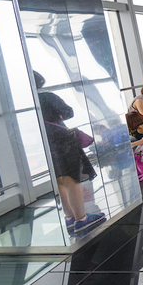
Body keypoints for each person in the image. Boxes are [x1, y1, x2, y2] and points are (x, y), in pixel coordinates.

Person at [35, 71, 105, 235]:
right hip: (62, 140)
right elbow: (68, 112)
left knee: (59, 181)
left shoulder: (27, 102)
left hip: (45, 142)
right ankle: (81, 219)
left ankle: (69, 218)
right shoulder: (46, 96)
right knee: (71, 179)